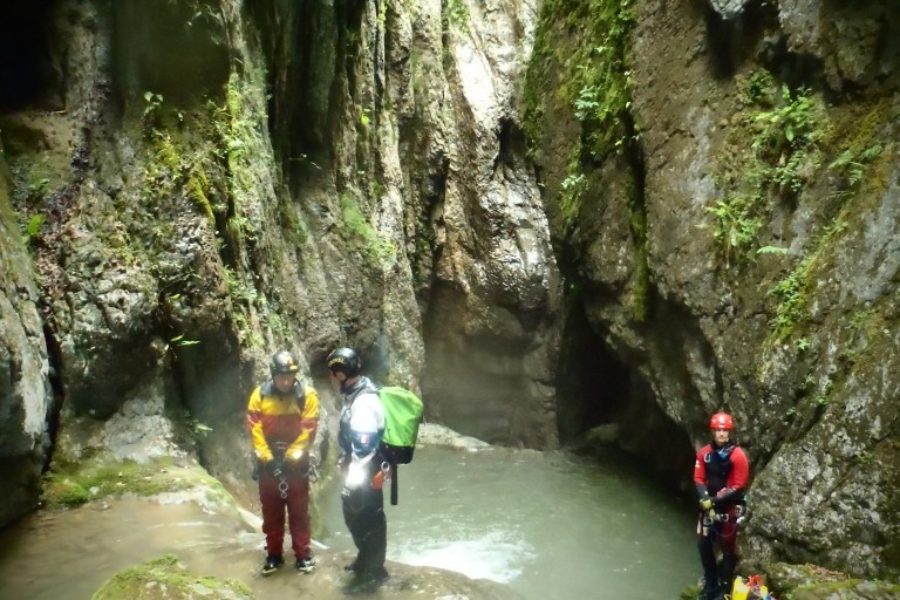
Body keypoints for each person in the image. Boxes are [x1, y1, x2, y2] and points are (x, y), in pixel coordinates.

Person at [247, 350, 320, 575]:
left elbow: (309, 430)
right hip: (268, 465)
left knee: (299, 512)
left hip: (296, 466)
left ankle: (303, 555)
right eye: (282, 377)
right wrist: (269, 460)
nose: (286, 381)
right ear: (273, 375)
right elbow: (254, 429)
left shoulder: (307, 396)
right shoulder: (259, 396)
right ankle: (274, 555)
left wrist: (289, 458)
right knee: (272, 513)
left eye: (290, 376)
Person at [327, 347, 390, 586]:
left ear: (341, 374)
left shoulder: (363, 401)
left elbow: (364, 449)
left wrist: (352, 482)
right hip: (363, 466)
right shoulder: (355, 393)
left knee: (367, 518)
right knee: (357, 517)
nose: (332, 379)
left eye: (333, 374)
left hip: (366, 468)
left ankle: (374, 574)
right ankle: (366, 559)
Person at [694, 411, 750, 600]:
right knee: (703, 545)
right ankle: (711, 584)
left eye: (724, 431)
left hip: (729, 507)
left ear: (729, 433)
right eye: (718, 430)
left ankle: (724, 590)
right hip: (709, 506)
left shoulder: (737, 456)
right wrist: (706, 501)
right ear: (712, 432)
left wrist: (715, 501)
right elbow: (699, 479)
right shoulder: (704, 454)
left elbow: (738, 485)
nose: (721, 434)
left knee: (727, 547)